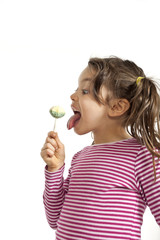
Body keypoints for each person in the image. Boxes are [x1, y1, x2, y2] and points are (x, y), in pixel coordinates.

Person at [41, 57, 160, 240]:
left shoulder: (141, 155)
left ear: (117, 106)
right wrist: (55, 169)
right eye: (76, 90)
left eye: (85, 91)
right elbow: (55, 219)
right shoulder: (81, 156)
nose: (73, 96)